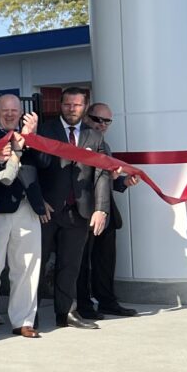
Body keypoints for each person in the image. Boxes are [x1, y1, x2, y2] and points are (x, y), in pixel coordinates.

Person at [35, 87, 113, 330]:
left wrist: (101, 209)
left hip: (79, 211)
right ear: (60, 105)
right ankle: (29, 315)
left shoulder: (94, 136)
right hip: (47, 211)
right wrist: (38, 200)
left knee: (70, 266)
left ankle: (66, 312)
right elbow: (33, 166)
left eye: (77, 105)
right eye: (67, 104)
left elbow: (101, 174)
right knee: (37, 264)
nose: (71, 109)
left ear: (85, 107)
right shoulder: (46, 130)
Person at [0, 94, 46, 339]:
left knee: (27, 266)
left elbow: (45, 164)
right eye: (4, 110)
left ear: (20, 113)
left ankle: (23, 320)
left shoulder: (31, 134)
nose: (9, 114)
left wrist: (31, 138)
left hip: (28, 207)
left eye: (14, 110)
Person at [78, 102, 139, 318]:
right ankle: (83, 305)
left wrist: (122, 182)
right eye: (98, 119)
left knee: (105, 261)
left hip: (106, 211)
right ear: (87, 118)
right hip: (83, 210)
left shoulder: (104, 144)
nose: (102, 124)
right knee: (82, 262)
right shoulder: (78, 141)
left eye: (107, 121)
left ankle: (107, 301)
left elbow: (105, 179)